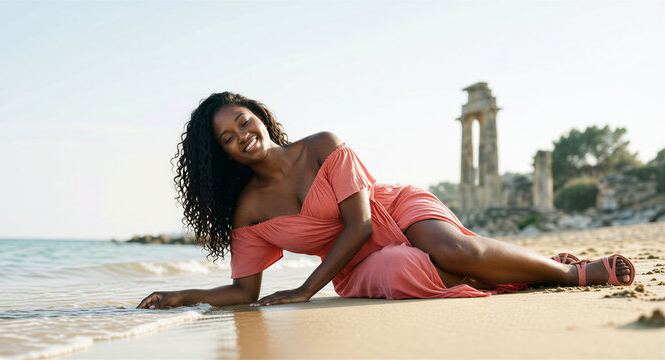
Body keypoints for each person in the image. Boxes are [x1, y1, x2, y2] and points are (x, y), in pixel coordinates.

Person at [137, 92, 635, 310]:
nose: (242, 134)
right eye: (227, 137)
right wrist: (182, 297)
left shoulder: (322, 145)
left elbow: (358, 224)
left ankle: (572, 273)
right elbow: (245, 292)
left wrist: (304, 291)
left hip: (394, 210)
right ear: (222, 155)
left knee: (453, 251)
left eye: (243, 121)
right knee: (401, 270)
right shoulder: (248, 212)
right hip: (357, 265)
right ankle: (528, 271)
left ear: (259, 116)